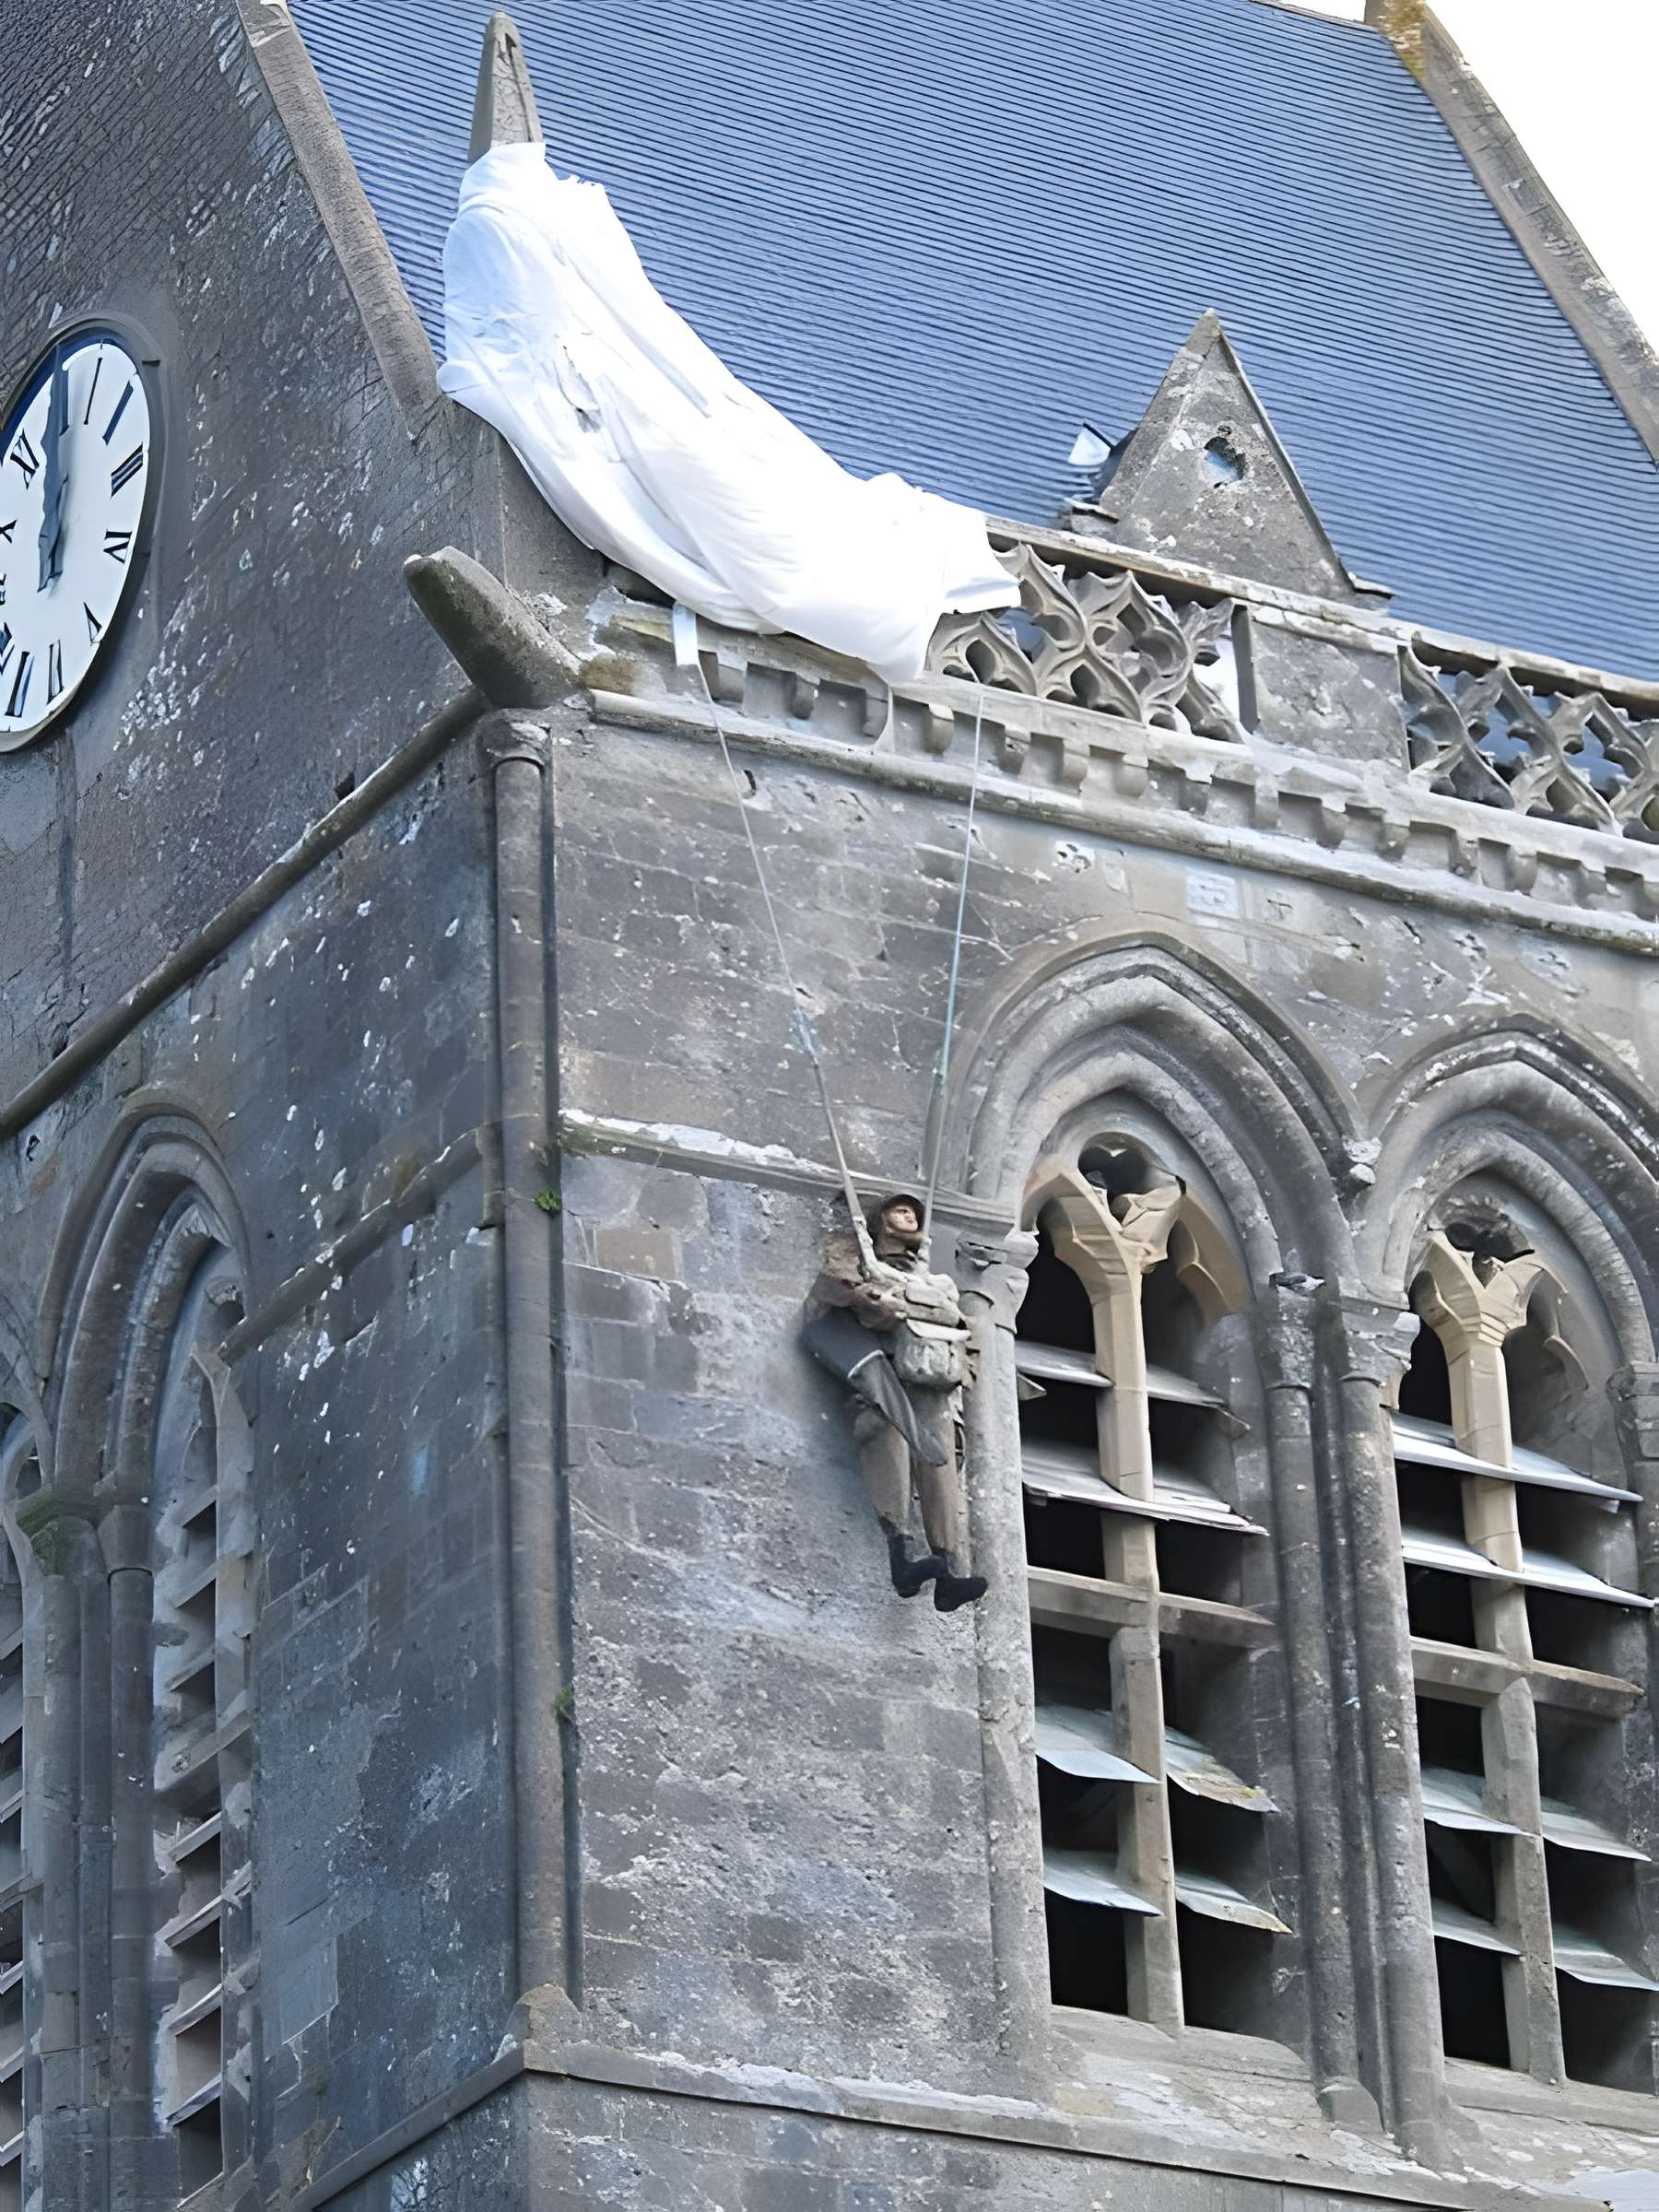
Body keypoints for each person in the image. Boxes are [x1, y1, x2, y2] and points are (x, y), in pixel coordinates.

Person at [804, 1194, 987, 1612]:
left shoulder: (936, 1282)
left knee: (940, 1451)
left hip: (931, 1382)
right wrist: (862, 1297)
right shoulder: (864, 1265)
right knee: (888, 1428)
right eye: (899, 1210)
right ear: (881, 1221)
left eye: (914, 1212)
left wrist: (962, 1373)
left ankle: (946, 1568)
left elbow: (967, 1336)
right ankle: (900, 1554)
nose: (909, 1215)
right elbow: (827, 1296)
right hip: (881, 1375)